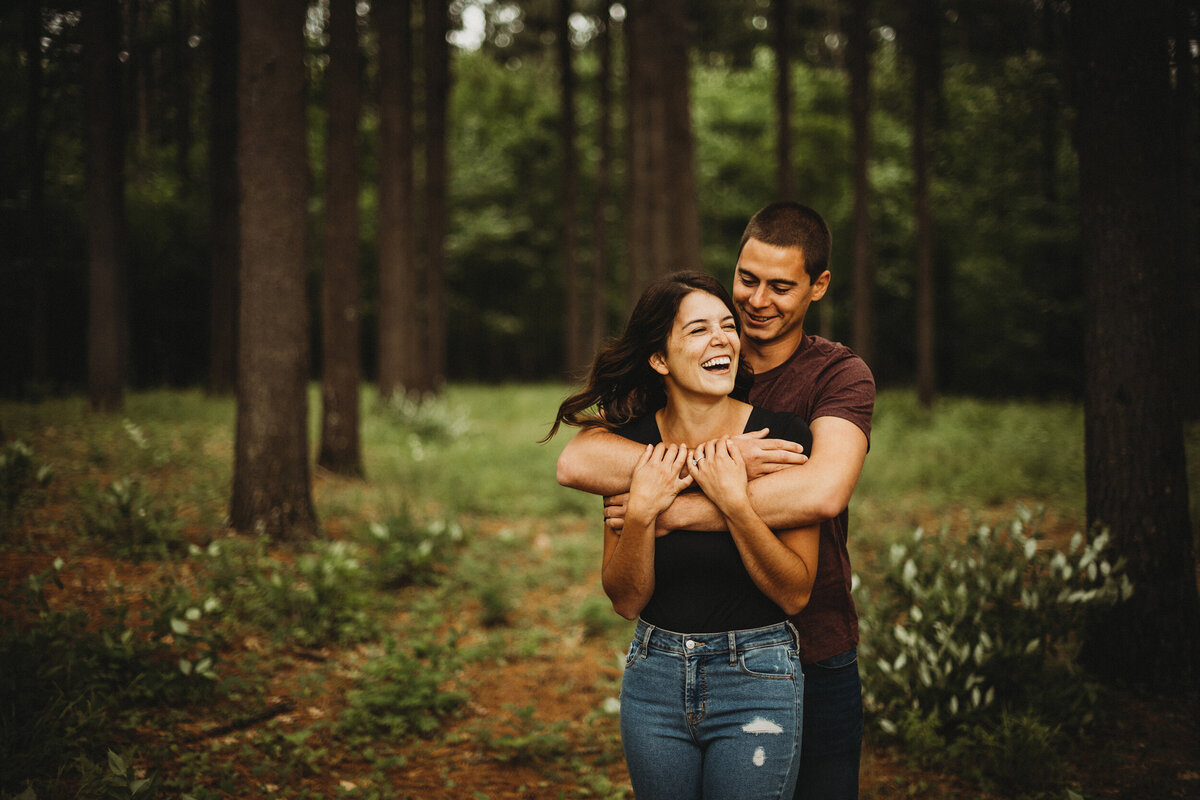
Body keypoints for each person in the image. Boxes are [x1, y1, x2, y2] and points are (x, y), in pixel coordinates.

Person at [556, 202, 874, 800]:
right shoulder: (689, 360)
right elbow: (578, 461)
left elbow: (821, 491)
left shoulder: (835, 376)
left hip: (812, 644)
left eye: (781, 287)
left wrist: (672, 505)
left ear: (818, 287)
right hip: (663, 661)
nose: (756, 302)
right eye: (746, 281)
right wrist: (706, 472)